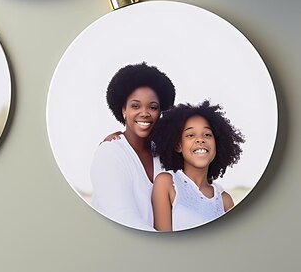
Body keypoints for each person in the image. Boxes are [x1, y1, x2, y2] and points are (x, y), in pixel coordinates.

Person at [90, 62, 176, 230]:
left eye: (153, 107)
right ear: (124, 110)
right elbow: (121, 216)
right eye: (135, 106)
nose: (144, 113)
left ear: (160, 112)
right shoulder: (110, 153)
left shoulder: (163, 155)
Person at [151, 101, 244, 231]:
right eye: (190, 135)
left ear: (218, 144)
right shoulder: (167, 183)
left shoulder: (225, 201)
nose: (200, 140)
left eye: (207, 135)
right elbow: (161, 243)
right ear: (178, 145)